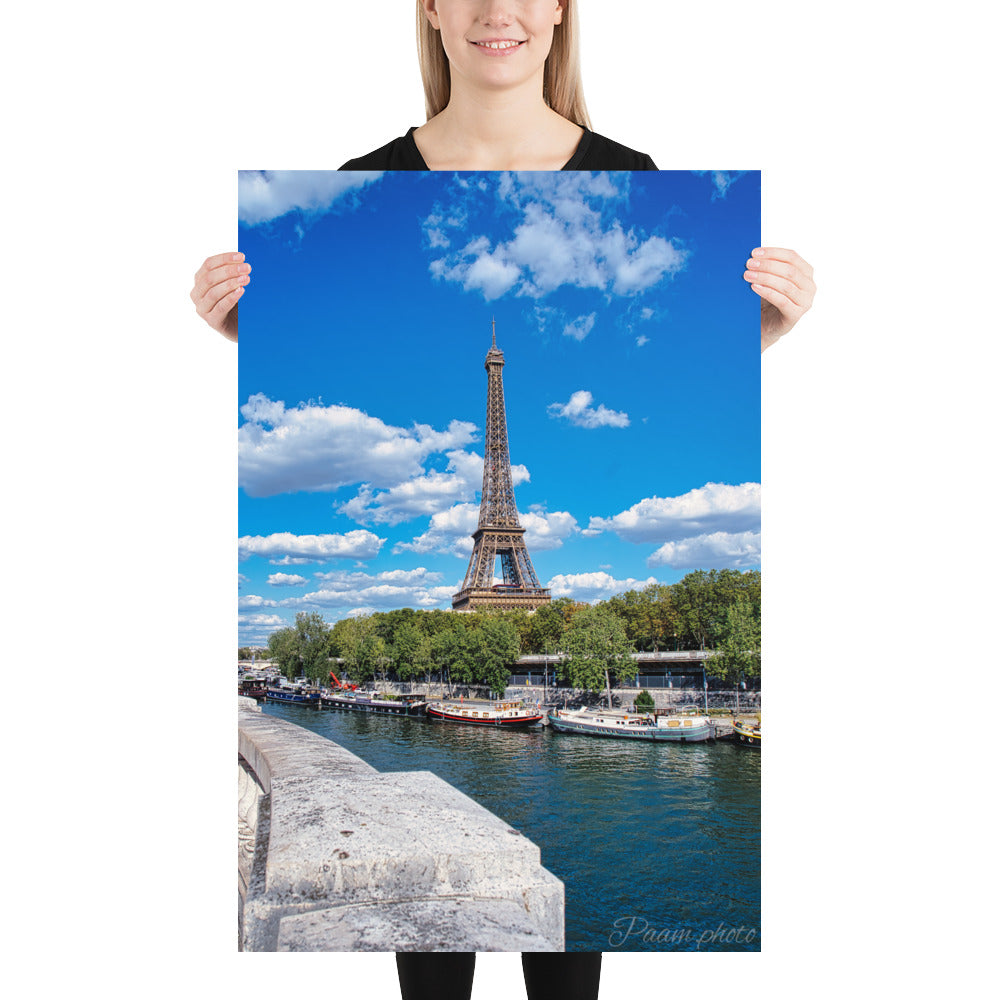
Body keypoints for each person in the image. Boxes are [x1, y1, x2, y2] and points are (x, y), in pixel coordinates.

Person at [205, 1, 810, 993]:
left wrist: (767, 337)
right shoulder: (367, 173)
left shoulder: (629, 162)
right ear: (430, 12)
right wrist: (237, 339)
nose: (498, 7)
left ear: (563, 10)